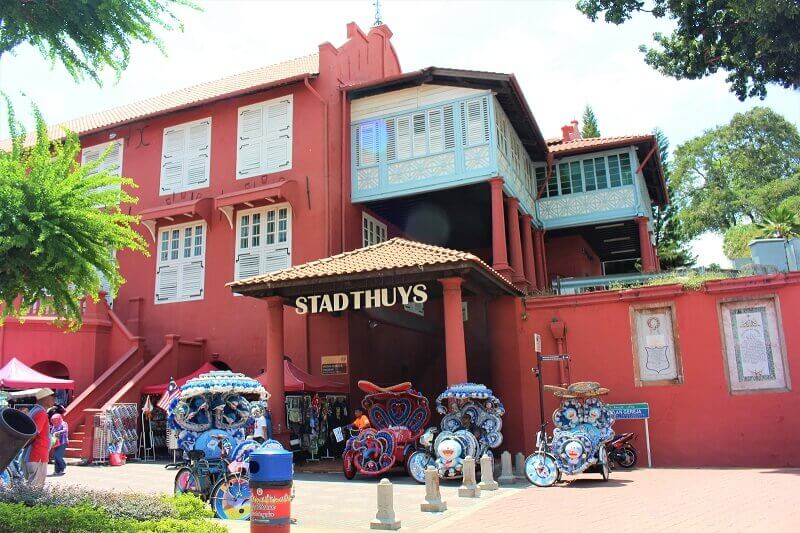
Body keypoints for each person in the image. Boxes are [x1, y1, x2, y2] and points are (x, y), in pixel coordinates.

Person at [26, 388, 55, 488]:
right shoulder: (41, 413)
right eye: (52, 396)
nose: (54, 399)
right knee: (36, 488)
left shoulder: (35, 411)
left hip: (34, 455)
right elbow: (33, 434)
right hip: (37, 455)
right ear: (44, 398)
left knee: (32, 486)